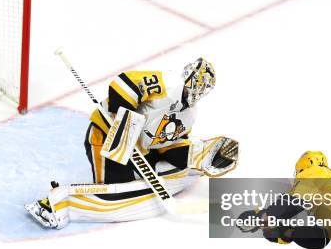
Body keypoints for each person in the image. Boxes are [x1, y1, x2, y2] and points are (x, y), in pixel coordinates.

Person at [26, 58, 238, 228]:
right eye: (197, 82)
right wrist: (125, 122)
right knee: (111, 189)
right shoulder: (164, 83)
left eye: (203, 87)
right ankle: (55, 201)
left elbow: (167, 145)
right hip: (105, 140)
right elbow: (123, 84)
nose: (198, 89)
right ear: (188, 75)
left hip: (138, 150)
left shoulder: (189, 115)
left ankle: (202, 155)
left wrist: (189, 157)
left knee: (133, 183)